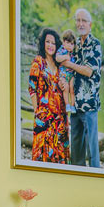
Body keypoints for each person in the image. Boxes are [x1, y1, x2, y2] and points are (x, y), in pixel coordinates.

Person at [64, 8, 101, 167]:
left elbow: (88, 70)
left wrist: (69, 64)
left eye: (84, 21)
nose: (80, 24)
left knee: (92, 150)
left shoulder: (95, 44)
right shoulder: (75, 44)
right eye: (78, 20)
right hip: (75, 104)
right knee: (76, 148)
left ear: (90, 24)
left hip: (89, 104)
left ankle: (97, 176)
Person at [28, 27, 67, 163]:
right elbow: (32, 88)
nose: (50, 45)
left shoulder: (60, 66)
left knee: (59, 155)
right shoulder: (38, 62)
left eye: (53, 43)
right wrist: (37, 111)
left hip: (59, 118)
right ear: (43, 43)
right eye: (48, 42)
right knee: (41, 155)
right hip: (43, 116)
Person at [55, 29, 77, 116]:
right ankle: (67, 104)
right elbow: (57, 58)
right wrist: (65, 57)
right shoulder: (62, 50)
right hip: (63, 74)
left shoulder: (72, 53)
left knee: (72, 88)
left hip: (71, 75)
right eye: (68, 43)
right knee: (66, 87)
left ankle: (72, 105)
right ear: (63, 42)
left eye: (72, 44)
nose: (70, 45)